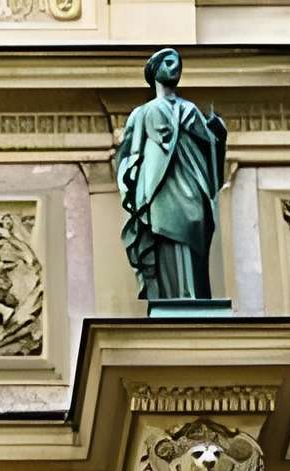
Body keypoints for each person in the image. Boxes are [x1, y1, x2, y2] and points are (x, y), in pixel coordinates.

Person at [114, 48, 228, 305]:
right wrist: (132, 182)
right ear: (155, 71)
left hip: (191, 183)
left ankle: (193, 297)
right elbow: (128, 155)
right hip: (159, 187)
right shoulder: (142, 114)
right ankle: (173, 299)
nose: (175, 67)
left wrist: (218, 136)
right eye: (168, 62)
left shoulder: (190, 109)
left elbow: (210, 149)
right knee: (165, 235)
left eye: (177, 63)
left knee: (194, 229)